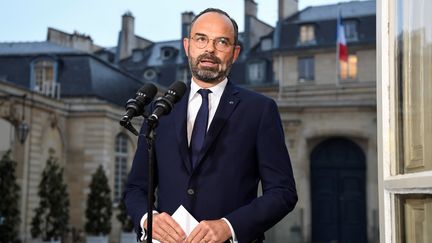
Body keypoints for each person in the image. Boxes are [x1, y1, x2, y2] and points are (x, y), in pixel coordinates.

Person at [124, 8, 297, 243]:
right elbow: (135, 188)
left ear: (235, 53)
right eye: (201, 39)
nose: (209, 50)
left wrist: (229, 226)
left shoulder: (259, 110)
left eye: (222, 42)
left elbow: (283, 192)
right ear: (187, 45)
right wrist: (147, 218)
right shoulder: (160, 111)